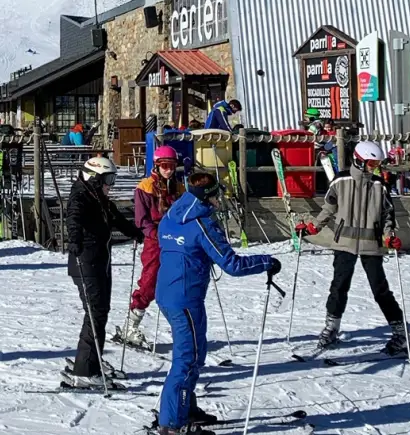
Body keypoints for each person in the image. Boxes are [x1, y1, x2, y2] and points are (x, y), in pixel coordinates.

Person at [155, 172, 277, 433]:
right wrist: (267, 262)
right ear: (205, 197)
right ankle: (172, 424)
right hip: (185, 299)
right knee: (186, 360)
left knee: (195, 354)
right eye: (216, 196)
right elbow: (232, 264)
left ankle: (185, 409)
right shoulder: (202, 225)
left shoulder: (170, 216)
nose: (219, 201)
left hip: (168, 294)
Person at [295, 141, 410, 360]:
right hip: (345, 242)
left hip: (371, 244)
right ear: (359, 161)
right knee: (339, 286)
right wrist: (314, 226)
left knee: (380, 290)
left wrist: (389, 237)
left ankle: (401, 333)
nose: (375, 168)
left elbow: (387, 216)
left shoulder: (379, 185)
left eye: (377, 164)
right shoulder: (340, 181)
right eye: (372, 163)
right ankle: (331, 328)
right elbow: (328, 208)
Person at [63, 156, 144, 388]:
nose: (111, 185)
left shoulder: (98, 197)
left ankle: (91, 361)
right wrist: (75, 239)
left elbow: (116, 218)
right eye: (108, 180)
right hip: (85, 262)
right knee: (95, 314)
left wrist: (135, 233)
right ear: (94, 178)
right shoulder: (81, 196)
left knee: (100, 313)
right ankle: (85, 370)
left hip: (99, 262)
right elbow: (73, 218)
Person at [117, 146, 183, 347]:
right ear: (156, 166)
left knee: (177, 282)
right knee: (149, 281)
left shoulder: (179, 188)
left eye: (172, 166)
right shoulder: (145, 187)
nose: (168, 170)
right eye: (164, 166)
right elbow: (141, 220)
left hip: (176, 240)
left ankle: (181, 327)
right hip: (155, 240)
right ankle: (131, 325)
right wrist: (156, 234)